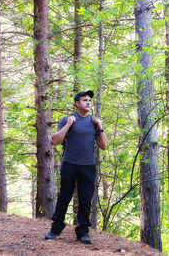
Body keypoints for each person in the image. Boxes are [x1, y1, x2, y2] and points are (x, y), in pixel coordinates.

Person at [45, 90, 108, 244]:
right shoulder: (68, 119)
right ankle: (55, 229)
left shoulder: (94, 122)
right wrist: (67, 125)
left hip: (88, 166)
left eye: (89, 100)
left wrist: (100, 127)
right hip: (70, 164)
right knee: (64, 197)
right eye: (84, 100)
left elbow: (104, 146)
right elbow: (55, 140)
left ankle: (83, 232)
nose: (88, 102)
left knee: (85, 200)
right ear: (77, 103)